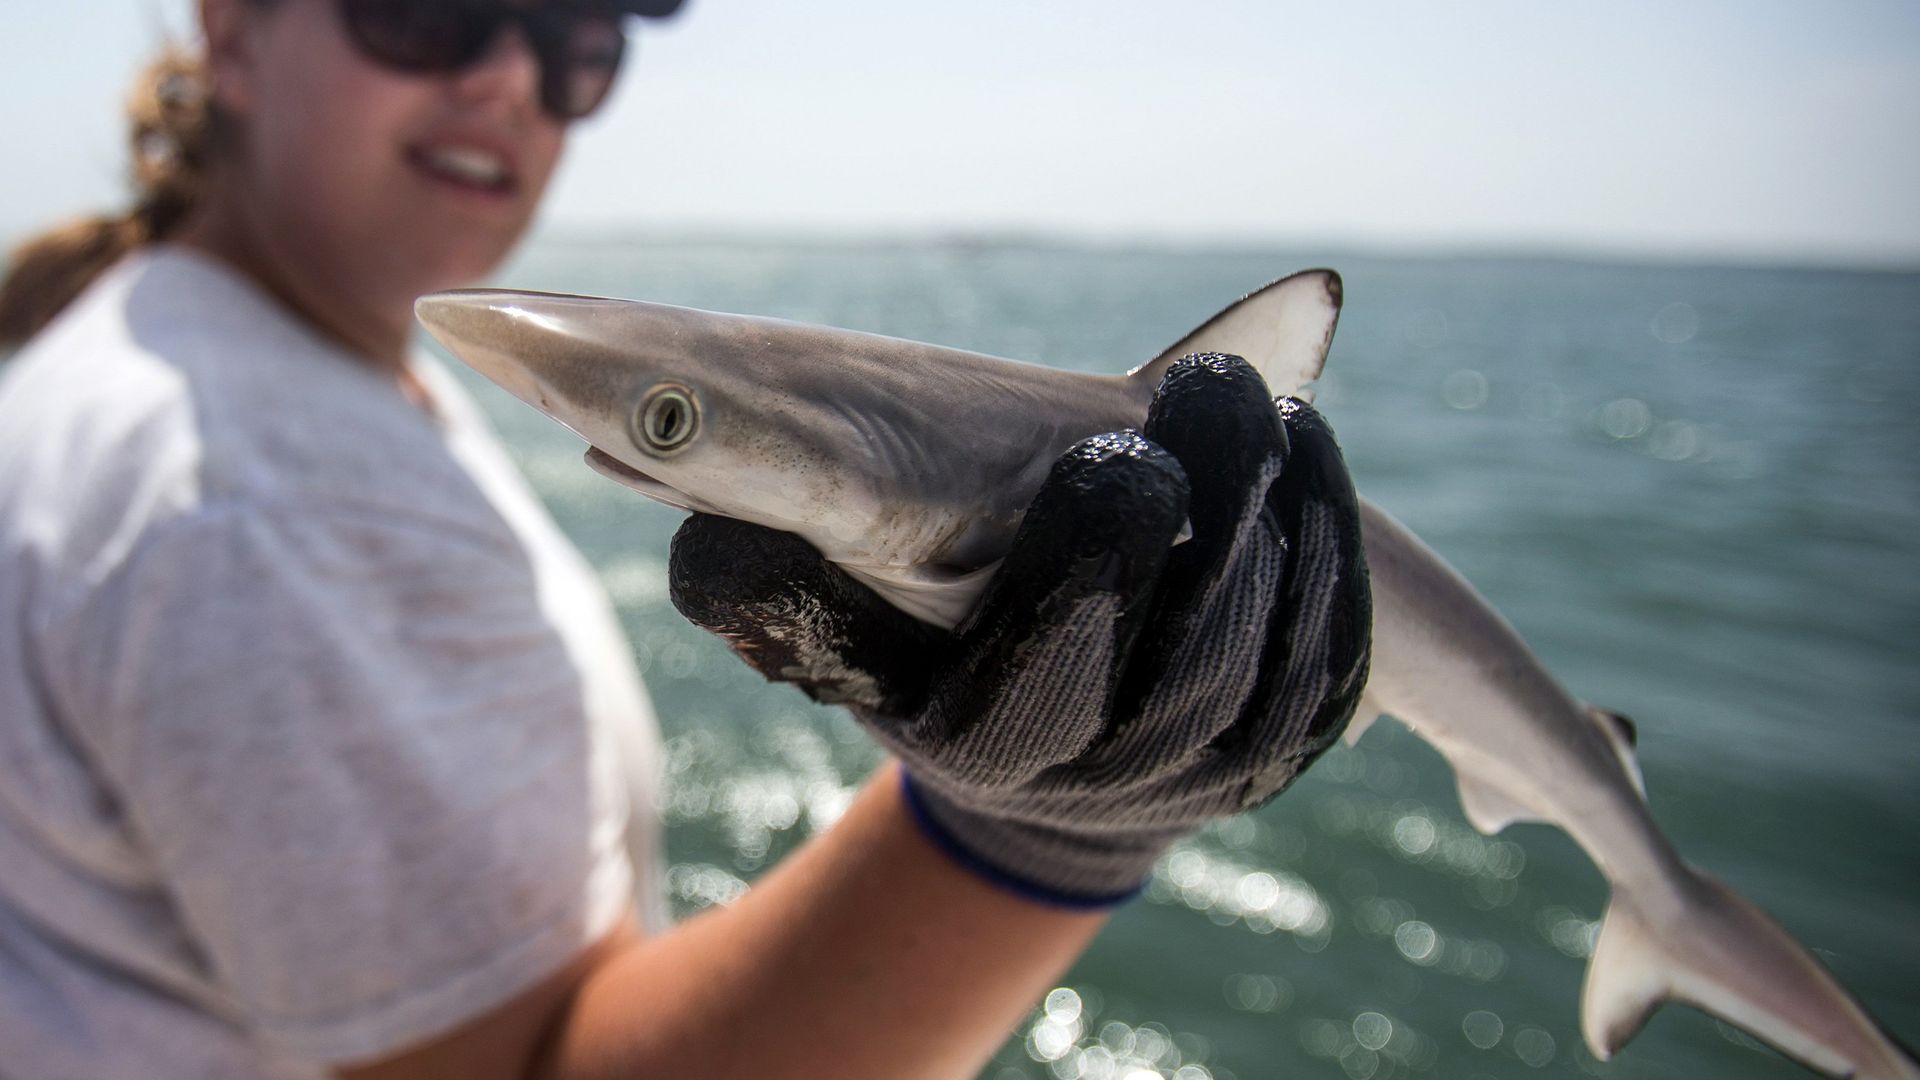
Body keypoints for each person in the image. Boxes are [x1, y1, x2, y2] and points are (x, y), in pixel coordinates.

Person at [0, 1, 1371, 1078]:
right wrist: (1048, 832)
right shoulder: (265, 501)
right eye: (427, 13)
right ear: (230, 30)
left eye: (573, 46)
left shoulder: (198, 349)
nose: (508, 83)